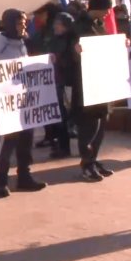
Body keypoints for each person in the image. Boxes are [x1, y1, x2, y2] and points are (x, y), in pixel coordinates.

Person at [0, 9, 48, 198]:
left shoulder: (22, 43)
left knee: (26, 139)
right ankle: (1, 181)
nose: (23, 27)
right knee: (7, 141)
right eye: (19, 23)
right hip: (9, 102)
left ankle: (24, 176)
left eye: (24, 23)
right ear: (10, 24)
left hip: (25, 100)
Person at [72, 0, 116, 181]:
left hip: (101, 81)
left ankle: (94, 159)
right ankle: (86, 163)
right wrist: (77, 52)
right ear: (97, 7)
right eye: (106, 8)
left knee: (101, 124)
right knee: (89, 126)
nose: (108, 12)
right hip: (86, 83)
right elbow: (70, 53)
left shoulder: (99, 25)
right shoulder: (79, 26)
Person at [27, 3, 62, 148]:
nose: (37, 18)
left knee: (55, 106)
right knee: (46, 106)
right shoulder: (43, 30)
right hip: (43, 73)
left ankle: (56, 137)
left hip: (54, 74)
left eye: (39, 15)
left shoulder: (53, 30)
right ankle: (50, 135)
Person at [47, 12, 78, 159]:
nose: (55, 27)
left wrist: (58, 60)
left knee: (64, 117)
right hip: (58, 82)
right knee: (60, 116)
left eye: (58, 24)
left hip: (68, 82)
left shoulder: (73, 40)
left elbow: (72, 61)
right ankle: (60, 145)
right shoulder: (55, 39)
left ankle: (64, 147)